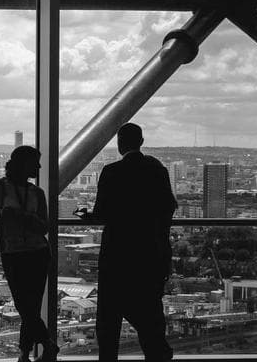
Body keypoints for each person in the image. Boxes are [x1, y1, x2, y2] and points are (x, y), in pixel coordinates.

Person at [78, 123, 177, 362]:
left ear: (119, 144)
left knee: (109, 321)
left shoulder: (111, 171)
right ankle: (159, 355)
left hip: (117, 255)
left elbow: (102, 213)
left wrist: (87, 216)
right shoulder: (157, 170)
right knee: (150, 318)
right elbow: (168, 208)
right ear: (141, 142)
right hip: (149, 254)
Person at [0, 146, 56, 362]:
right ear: (23, 165)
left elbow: (44, 226)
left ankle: (25, 354)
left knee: (29, 307)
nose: (39, 167)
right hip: (20, 253)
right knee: (26, 306)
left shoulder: (36, 192)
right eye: (35, 163)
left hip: (33, 253)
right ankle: (45, 346)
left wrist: (23, 218)